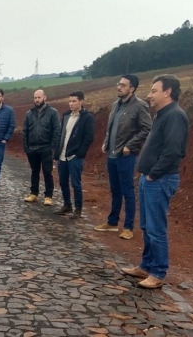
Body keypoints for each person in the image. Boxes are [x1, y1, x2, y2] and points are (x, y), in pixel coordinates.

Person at [121, 75, 189, 289]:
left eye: (153, 91)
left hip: (159, 179)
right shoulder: (162, 114)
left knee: (156, 227)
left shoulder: (175, 116)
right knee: (147, 225)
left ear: (167, 92)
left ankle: (158, 273)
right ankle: (146, 265)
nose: (149, 95)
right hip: (149, 178)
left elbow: (173, 151)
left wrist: (153, 174)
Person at [94, 74, 152, 240]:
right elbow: (110, 128)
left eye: (123, 85)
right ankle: (112, 223)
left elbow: (147, 128)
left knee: (127, 191)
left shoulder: (140, 106)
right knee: (115, 190)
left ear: (132, 88)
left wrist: (130, 146)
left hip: (126, 155)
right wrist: (106, 142)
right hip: (111, 154)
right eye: (118, 84)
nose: (119, 87)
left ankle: (128, 227)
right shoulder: (115, 105)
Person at [53, 91, 95, 219]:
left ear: (81, 102)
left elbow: (89, 137)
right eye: (70, 101)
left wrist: (80, 153)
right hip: (62, 155)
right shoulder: (66, 115)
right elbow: (61, 134)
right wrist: (57, 151)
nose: (71, 104)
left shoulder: (87, 118)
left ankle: (78, 209)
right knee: (63, 181)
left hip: (75, 156)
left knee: (75, 183)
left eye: (74, 101)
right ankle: (67, 205)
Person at [22, 89, 61, 205]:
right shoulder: (29, 114)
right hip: (32, 148)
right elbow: (25, 131)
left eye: (39, 97)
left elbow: (57, 130)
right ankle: (33, 193)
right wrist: (26, 148)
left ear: (45, 98)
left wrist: (52, 147)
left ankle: (48, 196)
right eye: (35, 98)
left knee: (47, 172)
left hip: (46, 147)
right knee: (34, 171)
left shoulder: (52, 112)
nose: (37, 100)